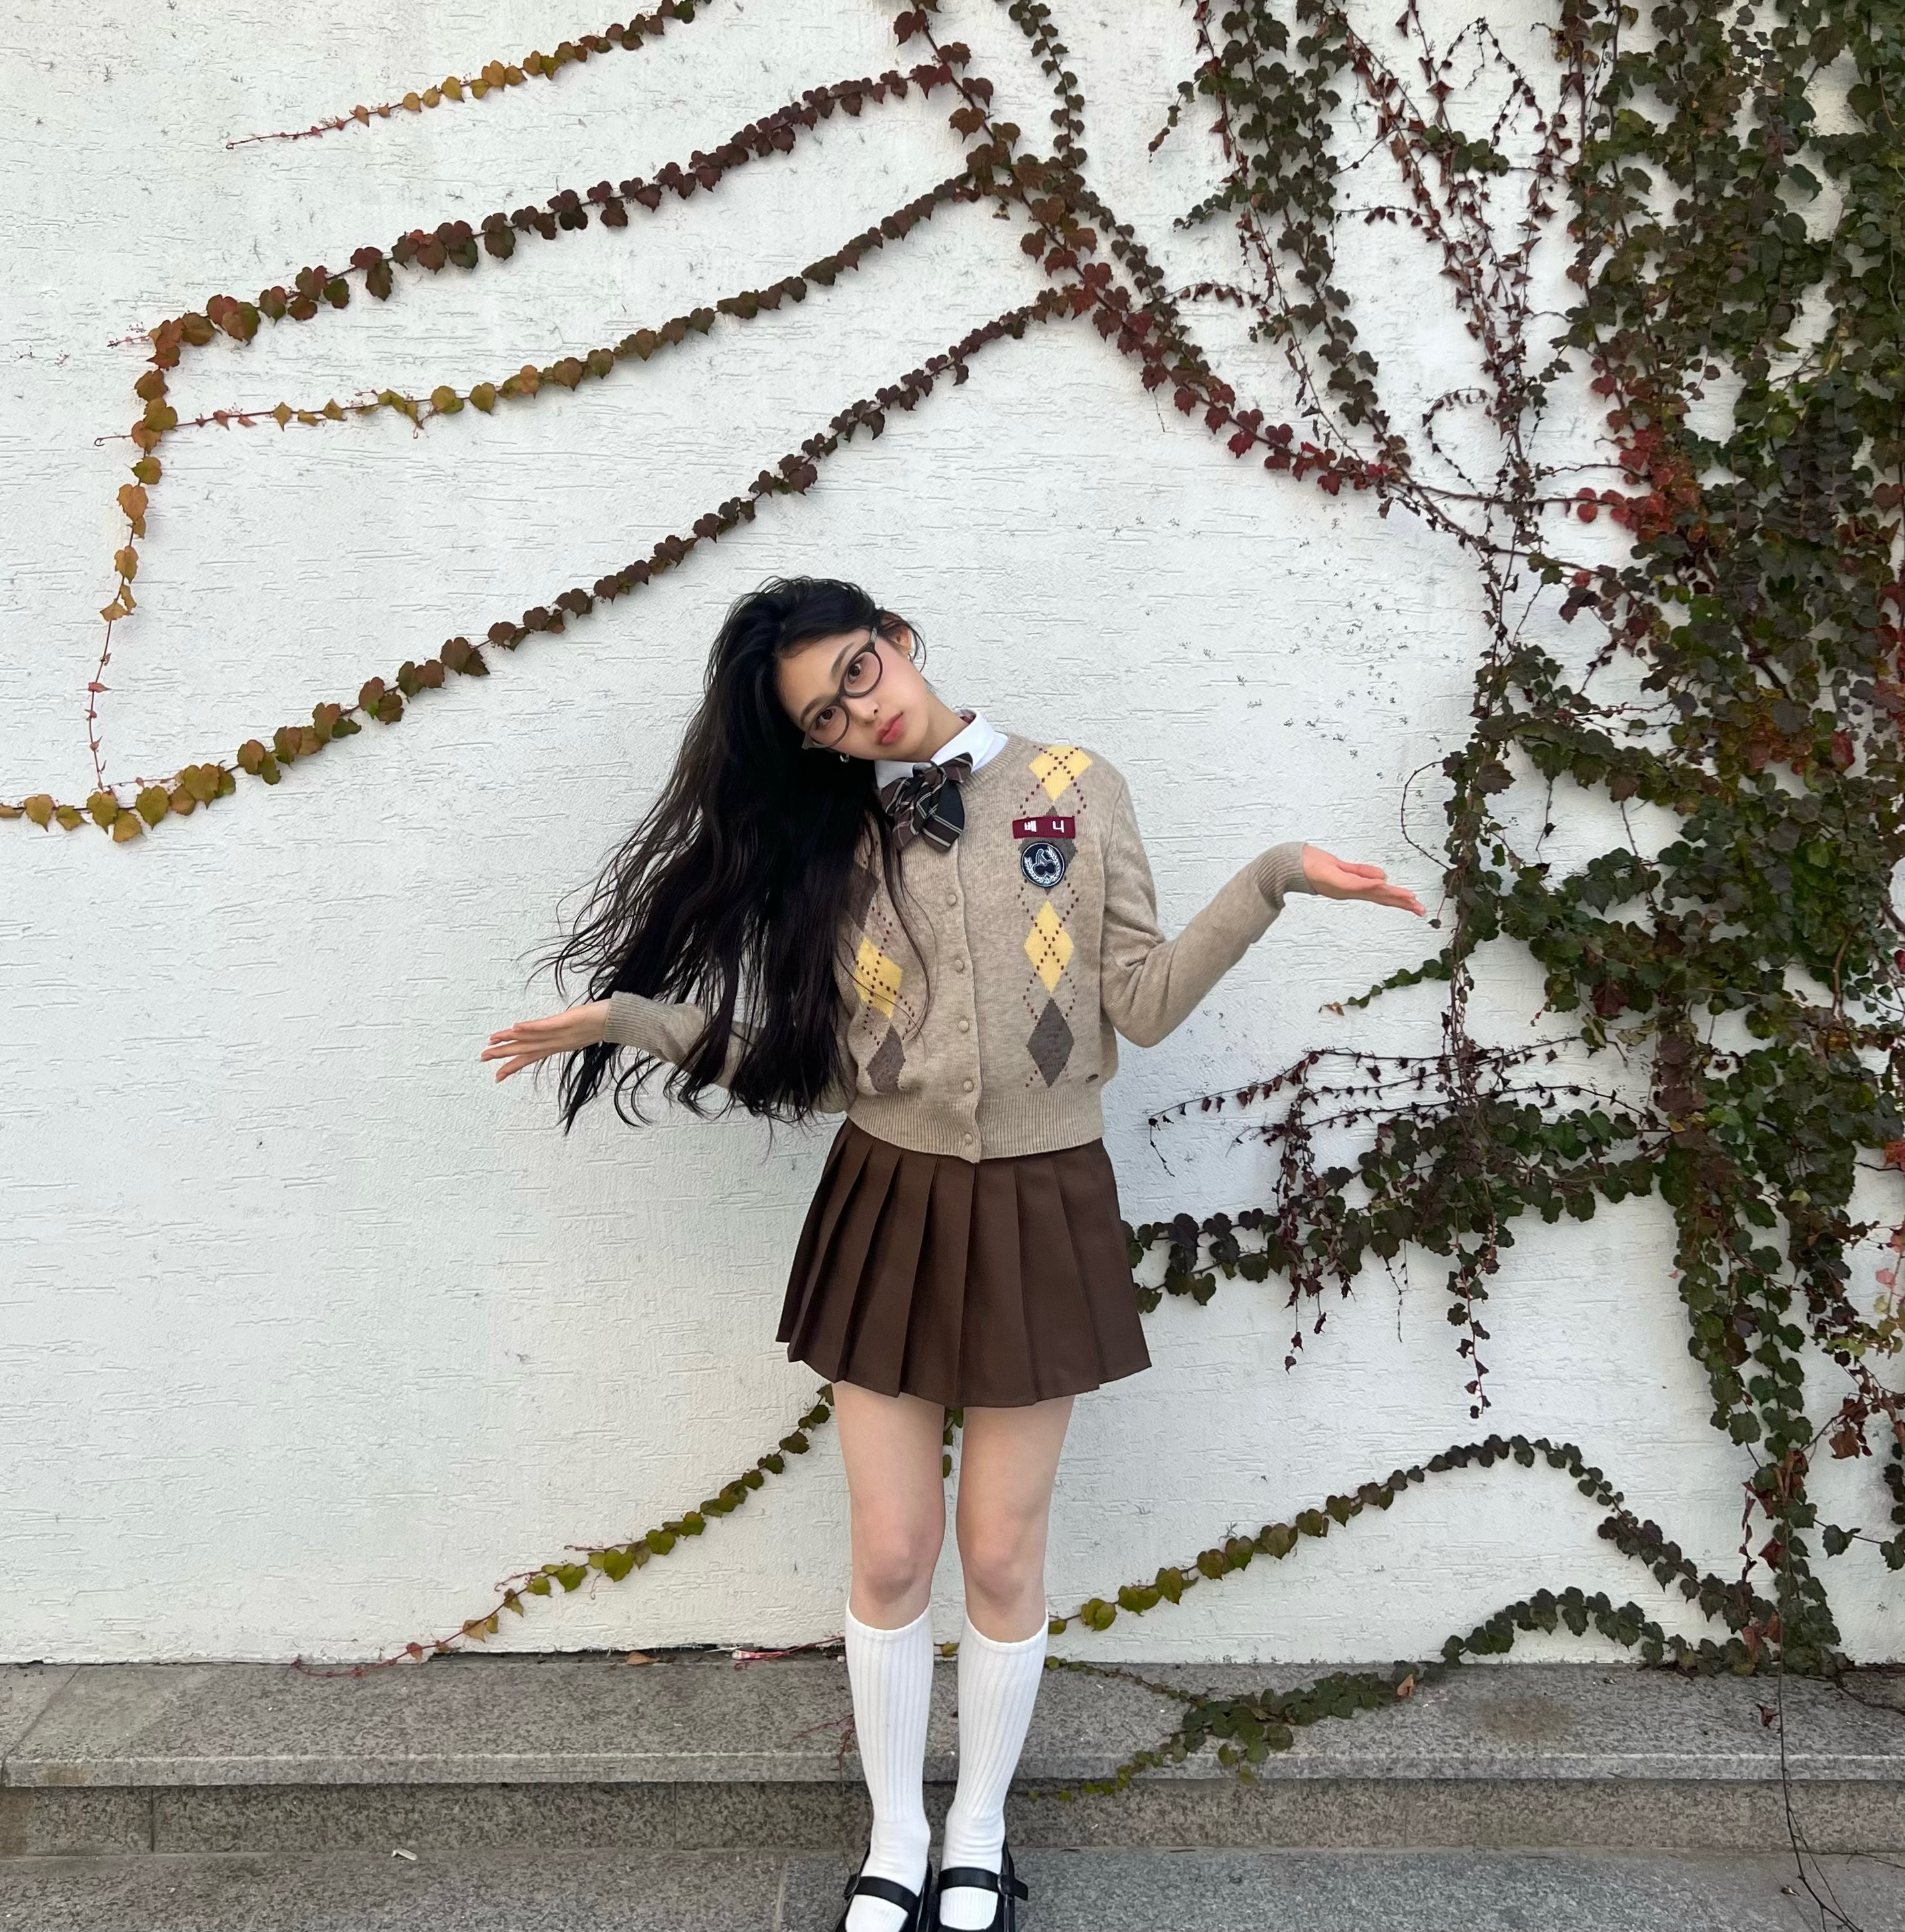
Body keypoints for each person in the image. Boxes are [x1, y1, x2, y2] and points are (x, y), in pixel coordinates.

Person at [482, 576, 1424, 1932]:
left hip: (1043, 1203)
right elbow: (811, 1074)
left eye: (858, 673)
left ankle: (978, 1832)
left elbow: (1144, 1003)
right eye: (823, 716)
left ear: (898, 639)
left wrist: (1274, 875)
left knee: (997, 1552)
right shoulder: (830, 848)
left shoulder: (1076, 787)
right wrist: (635, 1020)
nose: (857, 714)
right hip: (888, 1202)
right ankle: (896, 1837)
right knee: (890, 1551)